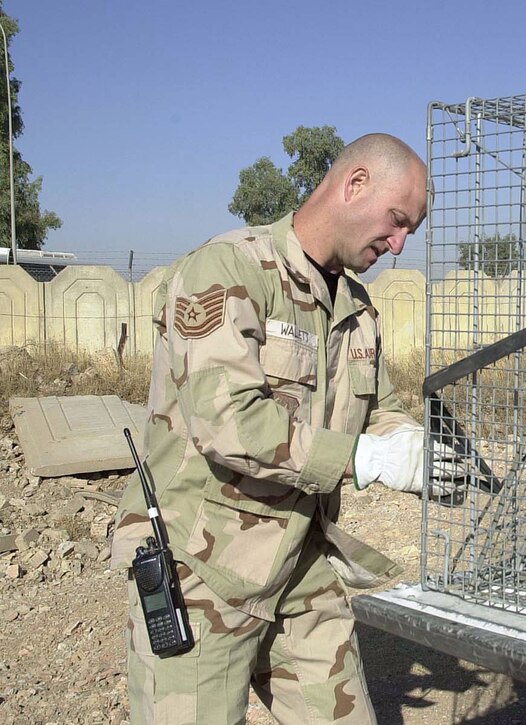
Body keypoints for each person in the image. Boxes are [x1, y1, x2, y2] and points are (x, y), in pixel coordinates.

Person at [110, 132, 464, 723]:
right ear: (354, 184)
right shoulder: (229, 272)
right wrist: (364, 460)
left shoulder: (357, 307)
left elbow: (381, 404)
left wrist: (407, 441)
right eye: (397, 221)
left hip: (299, 561)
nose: (400, 245)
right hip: (203, 570)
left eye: (411, 233)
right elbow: (230, 423)